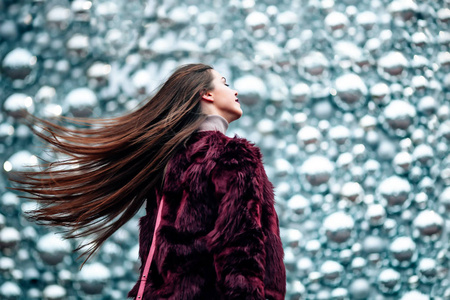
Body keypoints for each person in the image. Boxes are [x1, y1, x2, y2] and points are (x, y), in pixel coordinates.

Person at [12, 63, 286, 299]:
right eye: (225, 83)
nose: (235, 91)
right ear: (206, 94)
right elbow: (240, 245)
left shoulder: (170, 160)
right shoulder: (234, 155)